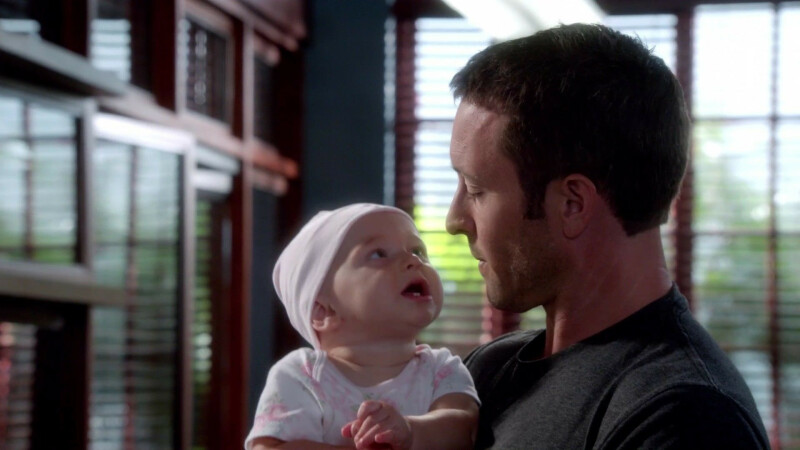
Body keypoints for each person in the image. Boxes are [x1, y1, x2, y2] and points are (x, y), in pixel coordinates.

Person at [445, 23, 770, 449]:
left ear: (572, 204)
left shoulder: (684, 417)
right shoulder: (489, 371)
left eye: (475, 190)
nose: (454, 220)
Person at [245, 203, 479, 450]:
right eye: (379, 254)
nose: (413, 260)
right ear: (323, 310)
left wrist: (411, 432)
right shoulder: (301, 376)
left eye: (418, 251)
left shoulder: (442, 370)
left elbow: (464, 429)